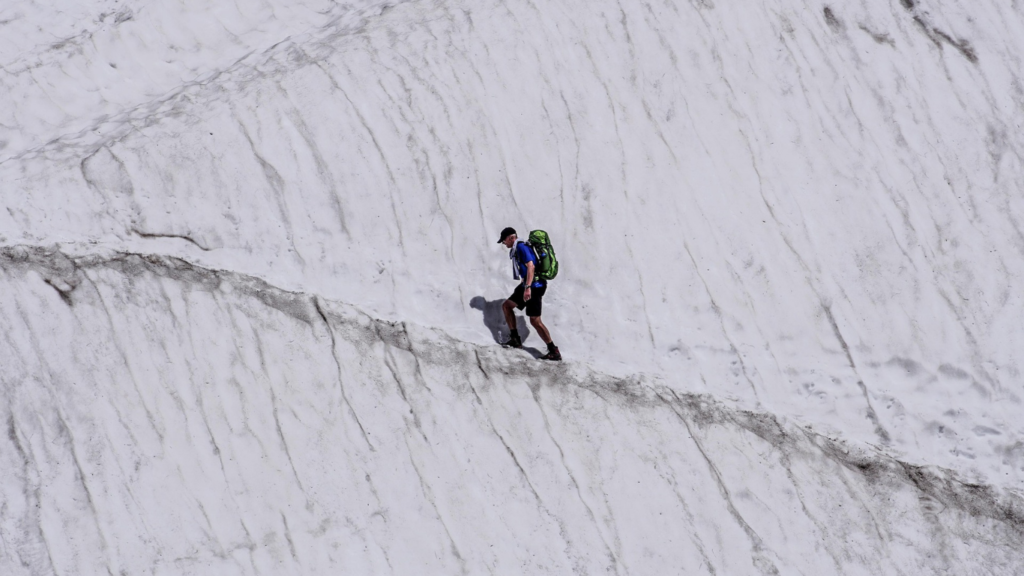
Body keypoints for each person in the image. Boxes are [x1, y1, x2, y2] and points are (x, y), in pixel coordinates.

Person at [496, 227, 561, 361]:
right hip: (528, 284)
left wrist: (527, 288)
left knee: (535, 321)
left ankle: (553, 350)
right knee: (507, 306)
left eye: (504, 241)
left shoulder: (521, 247)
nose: (504, 244)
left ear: (510, 238)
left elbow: (531, 266)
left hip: (534, 286)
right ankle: (515, 340)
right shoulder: (519, 247)